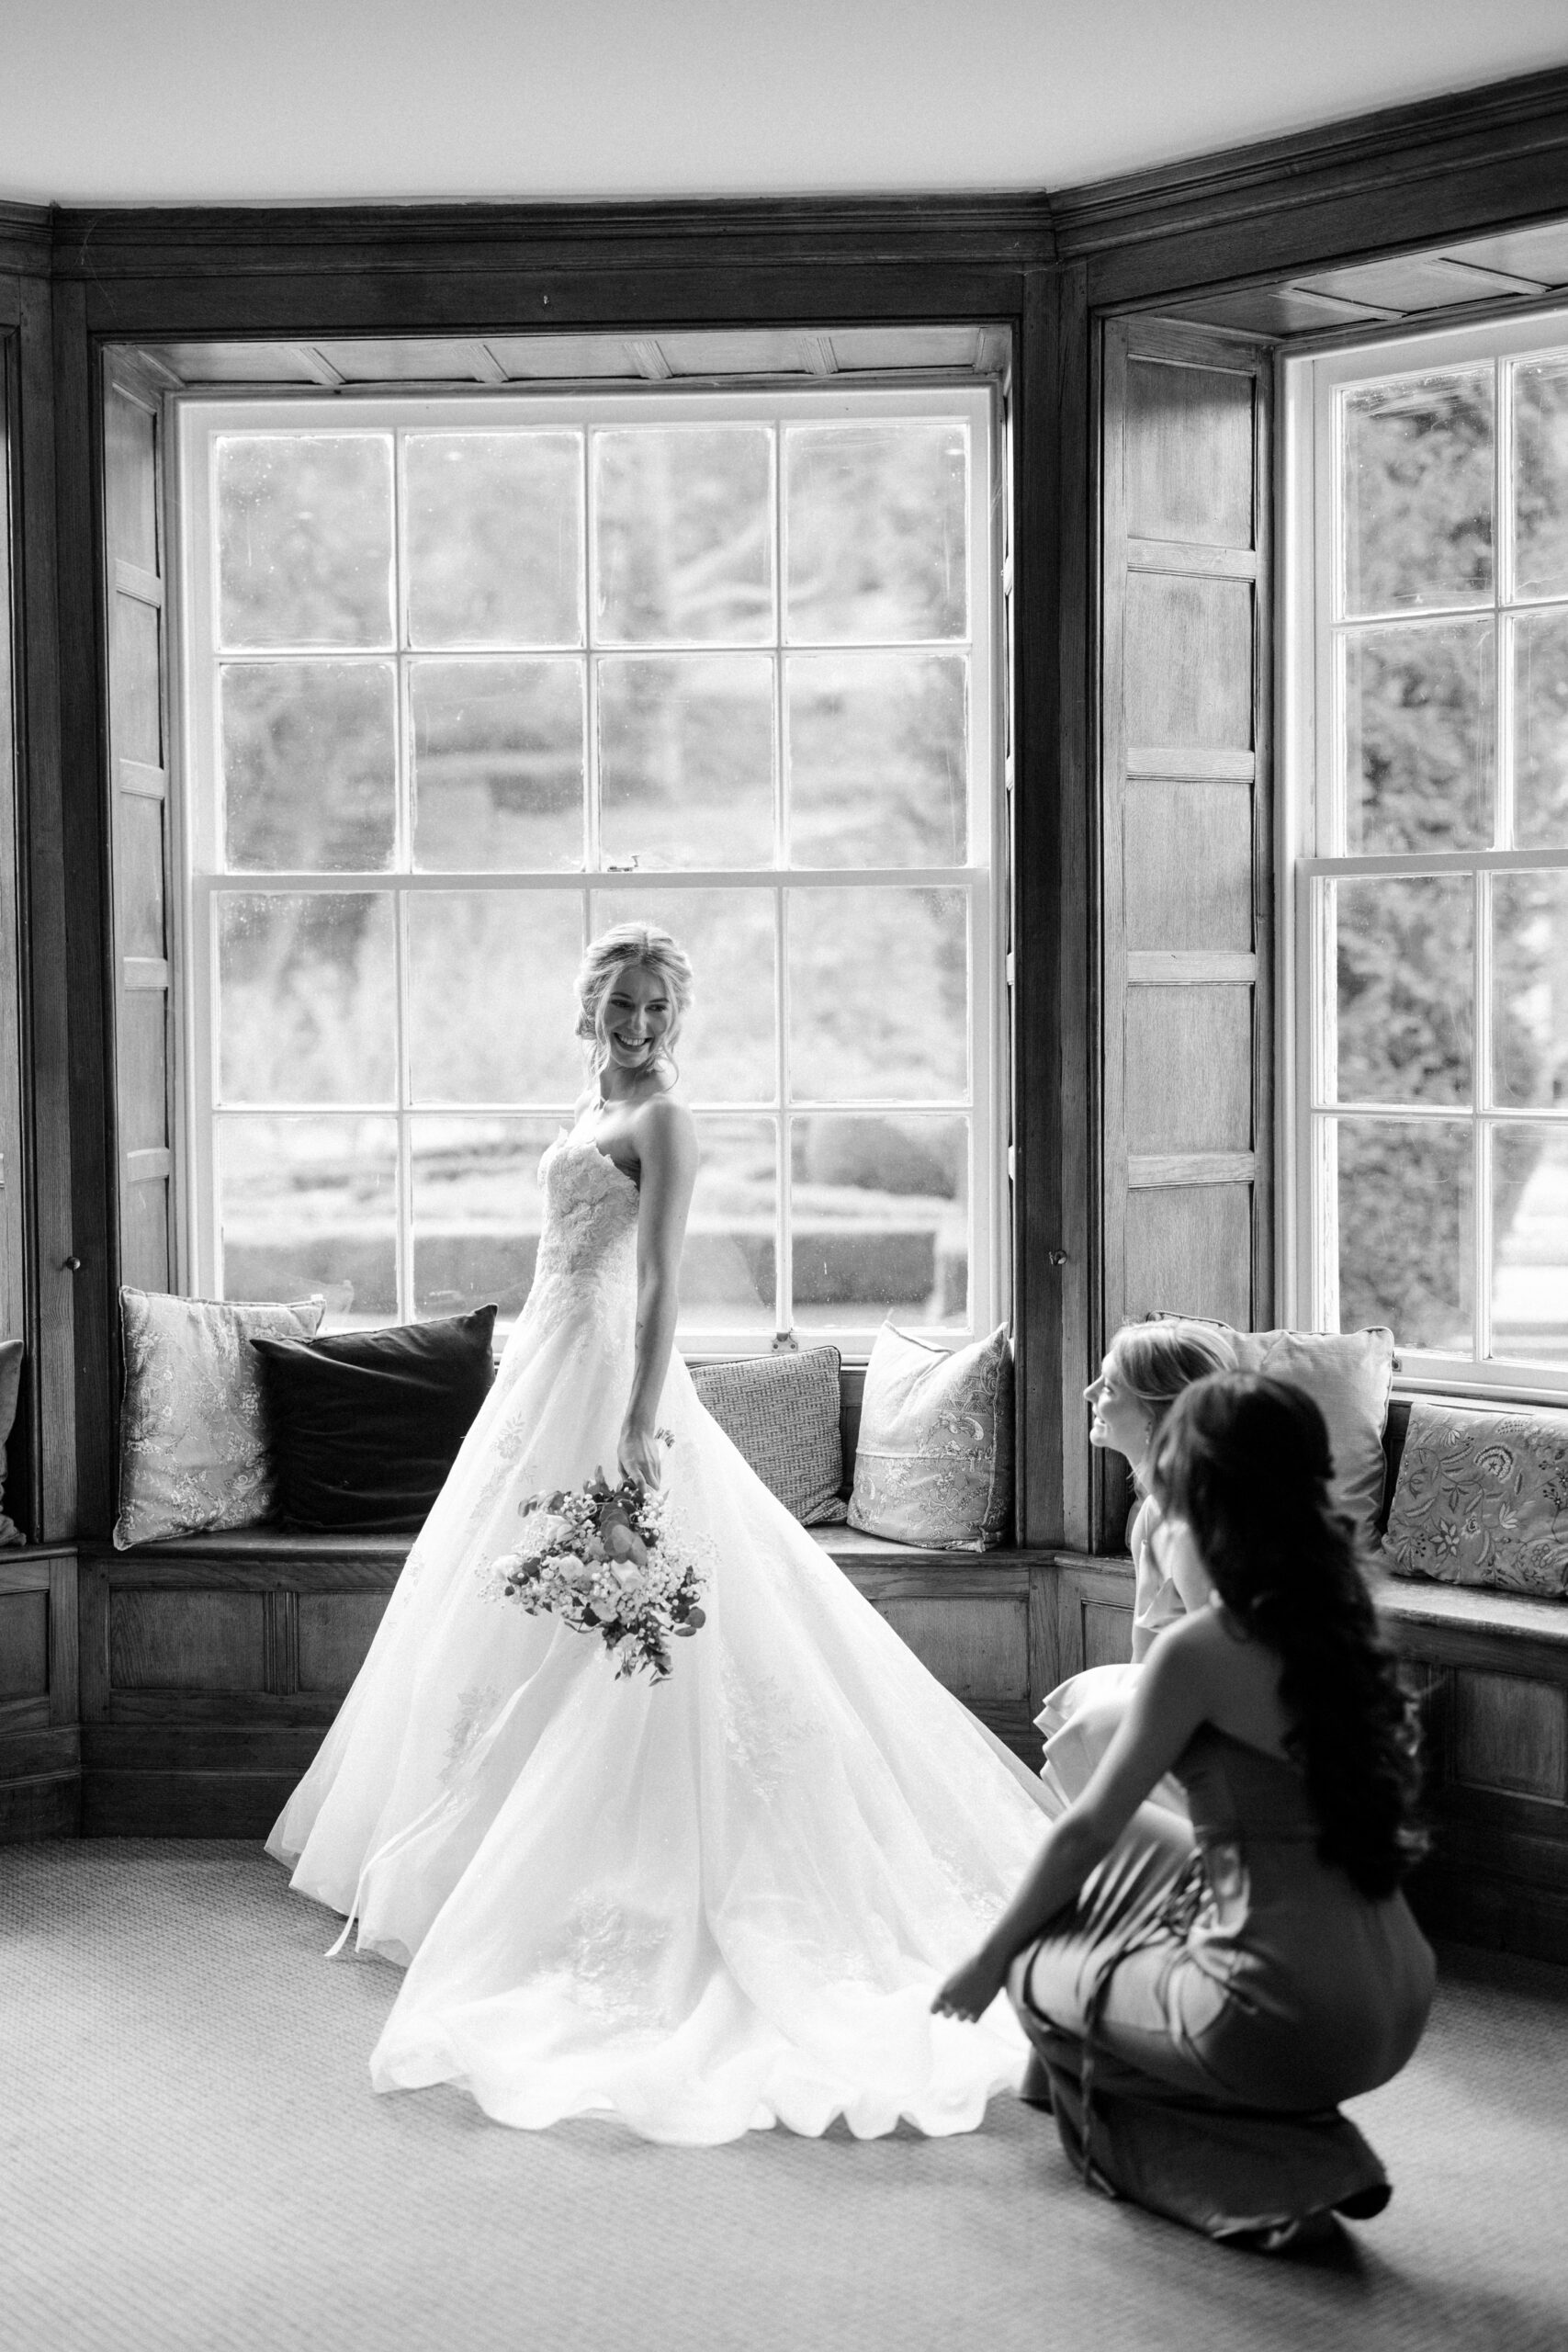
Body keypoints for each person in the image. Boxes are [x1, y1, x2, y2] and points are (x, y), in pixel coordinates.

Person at [269, 922, 1052, 2144]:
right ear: (590, 1004)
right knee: (510, 1611)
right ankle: (474, 1857)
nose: (638, 1022)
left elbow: (662, 1280)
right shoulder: (587, 1101)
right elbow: (562, 1256)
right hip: (545, 1368)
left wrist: (637, 1418)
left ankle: (608, 1875)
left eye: (655, 1006)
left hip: (613, 1382)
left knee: (624, 1619)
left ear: (672, 1017)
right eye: (621, 1001)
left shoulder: (666, 1120)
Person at [933, 1374, 1435, 2249]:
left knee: (1035, 1973)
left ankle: (1286, 2173)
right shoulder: (1342, 1617)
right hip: (1398, 1993)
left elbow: (1081, 1829)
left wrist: (985, 1961)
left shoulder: (1205, 1647)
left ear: (1200, 1508)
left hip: (1285, 2016)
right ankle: (1127, 2080)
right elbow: (1110, 1827)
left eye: (1163, 1505)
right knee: (1124, 1841)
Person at [1036, 1320, 1236, 1816]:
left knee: (1098, 1720)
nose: (1087, 1393)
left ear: (1156, 1417)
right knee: (1087, 1697)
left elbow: (1243, 1675)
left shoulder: (1196, 1526)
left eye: (1109, 1386)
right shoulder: (1152, 1515)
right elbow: (1145, 1655)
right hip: (1200, 1696)